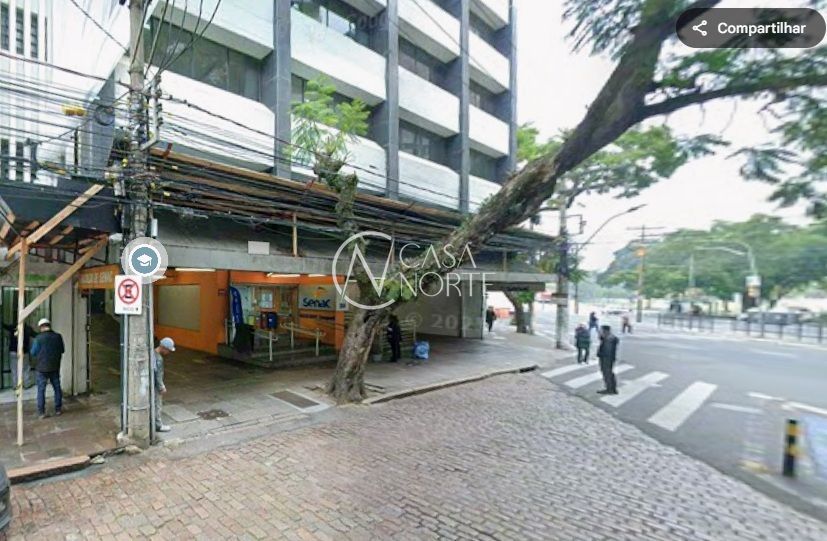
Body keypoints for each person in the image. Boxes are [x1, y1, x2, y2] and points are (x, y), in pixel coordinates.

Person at [29, 318, 64, 419]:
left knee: (41, 390)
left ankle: (41, 412)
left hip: (41, 368)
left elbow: (33, 352)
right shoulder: (58, 336)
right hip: (55, 367)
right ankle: (58, 409)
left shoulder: (38, 338)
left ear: (41, 327)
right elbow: (62, 350)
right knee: (57, 388)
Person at [152, 337, 175, 433]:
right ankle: (158, 425)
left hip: (150, 384)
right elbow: (158, 374)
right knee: (157, 404)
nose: (168, 353)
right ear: (163, 348)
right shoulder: (159, 359)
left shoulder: (152, 353)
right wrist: (162, 387)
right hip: (155, 386)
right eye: (168, 350)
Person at [3, 321, 34, 389]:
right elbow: (35, 335)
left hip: (13, 351)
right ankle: (26, 384)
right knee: (25, 369)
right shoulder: (28, 329)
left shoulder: (13, 327)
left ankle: (15, 385)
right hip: (24, 352)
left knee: (14, 369)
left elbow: (4, 325)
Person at [596, 325, 619, 395]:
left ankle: (609, 389)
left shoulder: (608, 339)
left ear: (605, 331)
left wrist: (601, 355)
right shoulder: (609, 337)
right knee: (609, 373)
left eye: (601, 330)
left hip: (606, 359)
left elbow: (607, 350)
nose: (600, 331)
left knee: (607, 373)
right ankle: (613, 388)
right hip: (609, 358)